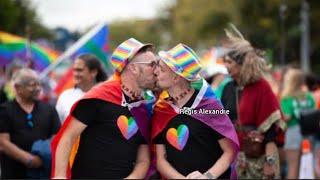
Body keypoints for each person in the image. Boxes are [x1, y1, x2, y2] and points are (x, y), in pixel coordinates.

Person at [51, 38, 157, 179]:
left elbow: (143, 159)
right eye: (152, 64)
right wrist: (59, 176)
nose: (157, 70)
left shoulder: (143, 108)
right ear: (134, 68)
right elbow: (67, 138)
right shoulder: (99, 97)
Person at [152, 43, 239, 179]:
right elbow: (160, 159)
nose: (155, 71)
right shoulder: (161, 109)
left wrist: (207, 176)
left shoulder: (209, 106)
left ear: (176, 77)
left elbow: (229, 151)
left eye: (161, 69)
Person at [222, 24, 285, 179]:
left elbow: (271, 131)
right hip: (236, 157)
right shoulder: (228, 88)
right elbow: (222, 118)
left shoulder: (261, 87)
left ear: (242, 64)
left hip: (261, 157)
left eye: (229, 62)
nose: (226, 65)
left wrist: (270, 162)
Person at [0, 68, 61, 179]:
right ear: (18, 88)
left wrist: (43, 156)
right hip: (14, 173)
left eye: (39, 84)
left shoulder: (49, 109)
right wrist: (29, 159)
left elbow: (57, 137)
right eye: (32, 85)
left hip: (43, 171)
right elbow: (3, 143)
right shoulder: (5, 110)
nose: (37, 89)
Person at [280, 68, 317, 178]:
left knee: (293, 166)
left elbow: (287, 117)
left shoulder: (287, 98)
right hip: (309, 133)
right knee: (309, 164)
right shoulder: (309, 96)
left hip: (293, 132)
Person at [55, 54, 107, 123]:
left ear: (93, 72)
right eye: (74, 70)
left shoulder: (106, 96)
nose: (75, 74)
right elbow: (59, 125)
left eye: (79, 70)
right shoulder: (65, 96)